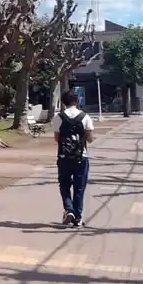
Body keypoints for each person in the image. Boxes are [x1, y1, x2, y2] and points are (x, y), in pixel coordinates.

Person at [52, 89, 95, 227]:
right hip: (81, 157)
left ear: (64, 102)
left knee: (64, 185)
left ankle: (68, 209)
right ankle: (78, 217)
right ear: (77, 101)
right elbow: (90, 139)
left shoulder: (59, 117)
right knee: (79, 187)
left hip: (64, 157)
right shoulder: (85, 117)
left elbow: (57, 138)